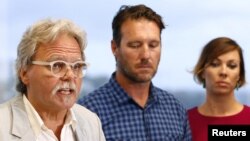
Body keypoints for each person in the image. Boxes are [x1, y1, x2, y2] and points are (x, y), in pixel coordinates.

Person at [78, 4, 192, 141]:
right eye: (135, 45)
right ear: (115, 48)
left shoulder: (175, 110)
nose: (145, 55)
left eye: (153, 45)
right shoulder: (87, 113)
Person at [0, 18, 106, 141]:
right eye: (57, 65)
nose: (70, 75)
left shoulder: (91, 122)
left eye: (77, 66)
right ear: (24, 74)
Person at [188, 37, 250, 141]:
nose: (223, 72)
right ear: (202, 71)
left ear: (239, 74)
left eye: (232, 66)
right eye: (215, 64)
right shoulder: (183, 122)